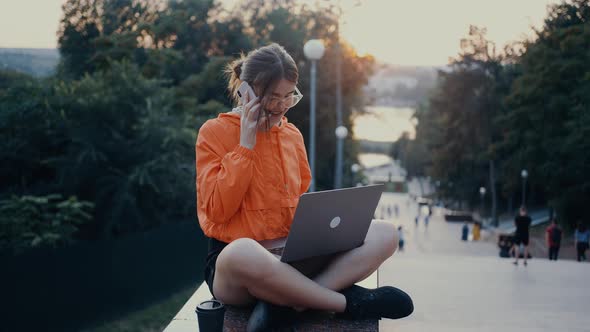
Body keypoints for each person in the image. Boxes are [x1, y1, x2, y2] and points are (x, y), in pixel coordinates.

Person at [196, 43, 413, 331]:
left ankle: (289, 303)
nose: (282, 106)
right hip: (240, 270)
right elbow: (217, 211)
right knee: (241, 251)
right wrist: (245, 145)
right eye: (273, 97)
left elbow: (300, 204)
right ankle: (346, 303)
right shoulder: (213, 132)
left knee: (385, 233)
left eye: (289, 97)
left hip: (291, 258)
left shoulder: (292, 136)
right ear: (246, 91)